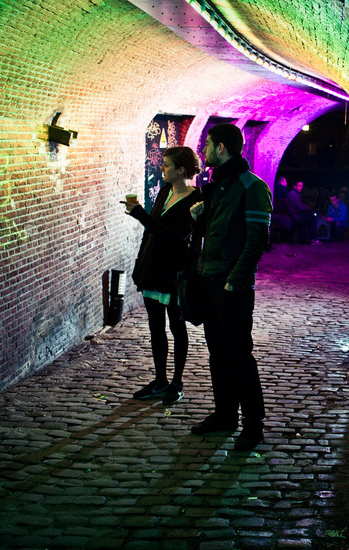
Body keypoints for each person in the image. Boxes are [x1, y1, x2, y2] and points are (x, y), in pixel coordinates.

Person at [188, 123, 272, 451]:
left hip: (231, 288)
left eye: (207, 144)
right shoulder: (217, 186)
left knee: (238, 356)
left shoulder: (252, 187)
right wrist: (200, 214)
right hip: (210, 281)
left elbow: (257, 241)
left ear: (221, 147)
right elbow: (214, 234)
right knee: (218, 355)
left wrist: (233, 282)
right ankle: (225, 415)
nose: (204, 150)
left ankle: (253, 424)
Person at [123, 147, 203, 405]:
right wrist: (140, 263)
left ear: (181, 169)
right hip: (153, 269)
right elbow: (151, 233)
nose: (162, 169)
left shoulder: (196, 200)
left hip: (174, 273)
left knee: (177, 328)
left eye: (167, 165)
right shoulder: (165, 191)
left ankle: (177, 382)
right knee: (155, 327)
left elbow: (174, 237)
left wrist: (139, 214)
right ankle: (160, 380)